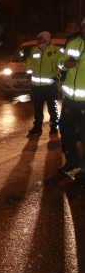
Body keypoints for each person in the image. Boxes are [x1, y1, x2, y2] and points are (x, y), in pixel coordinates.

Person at [58, 18, 85, 179]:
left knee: (84, 135)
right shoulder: (72, 43)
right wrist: (65, 64)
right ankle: (72, 160)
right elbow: (60, 62)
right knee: (66, 132)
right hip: (70, 99)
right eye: (84, 26)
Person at [25, 31, 61, 136]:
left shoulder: (56, 51)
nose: (40, 41)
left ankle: (54, 127)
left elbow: (61, 65)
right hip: (37, 87)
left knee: (52, 108)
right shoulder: (34, 50)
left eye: (42, 39)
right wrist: (28, 73)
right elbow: (29, 62)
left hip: (50, 87)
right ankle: (37, 127)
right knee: (37, 109)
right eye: (38, 39)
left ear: (48, 39)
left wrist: (57, 77)